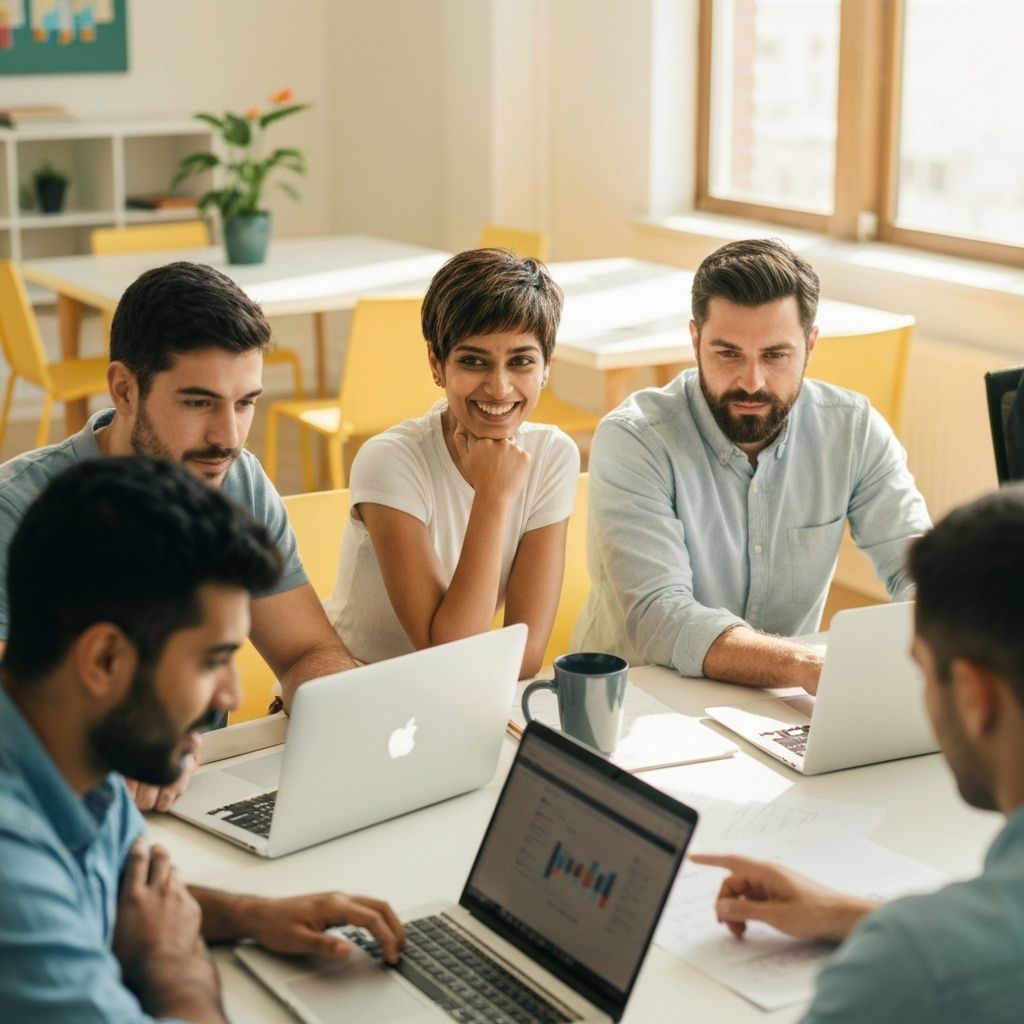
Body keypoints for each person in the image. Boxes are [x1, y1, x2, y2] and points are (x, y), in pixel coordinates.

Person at [0, 457, 404, 1023]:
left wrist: (252, 916)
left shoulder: (72, 748)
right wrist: (172, 964)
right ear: (105, 658)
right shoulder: (12, 868)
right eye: (212, 661)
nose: (233, 694)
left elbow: (126, 894)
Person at [0, 261, 358, 810]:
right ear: (124, 390)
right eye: (198, 402)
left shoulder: (236, 481)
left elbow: (306, 650)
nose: (228, 437)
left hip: (198, 790)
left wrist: (343, 708)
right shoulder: (18, 510)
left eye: (245, 403)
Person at [691, 485, 1024, 1023]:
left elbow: (945, 961)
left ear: (973, 696)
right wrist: (849, 914)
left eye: (920, 670)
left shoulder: (908, 969)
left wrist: (901, 939)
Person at [573, 238, 929, 693]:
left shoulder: (853, 430)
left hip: (780, 699)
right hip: (640, 699)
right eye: (728, 354)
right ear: (695, 340)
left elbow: (919, 566)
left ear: (810, 344)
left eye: (775, 355)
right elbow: (660, 616)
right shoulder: (635, 439)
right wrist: (804, 665)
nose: (752, 381)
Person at [325, 248, 580, 677]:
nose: (499, 387)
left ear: (546, 368)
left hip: (462, 695)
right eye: (473, 361)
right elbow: (448, 657)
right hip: (358, 688)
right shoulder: (390, 461)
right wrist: (492, 497)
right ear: (436, 365)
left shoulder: (553, 456)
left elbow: (525, 656)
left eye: (521, 361)